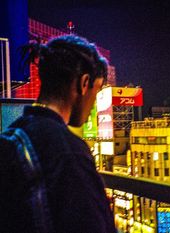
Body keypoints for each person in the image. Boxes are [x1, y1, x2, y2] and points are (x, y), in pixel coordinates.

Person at [0, 35, 117, 233]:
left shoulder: (11, 136)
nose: (94, 105)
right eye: (96, 93)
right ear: (84, 83)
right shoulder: (68, 152)